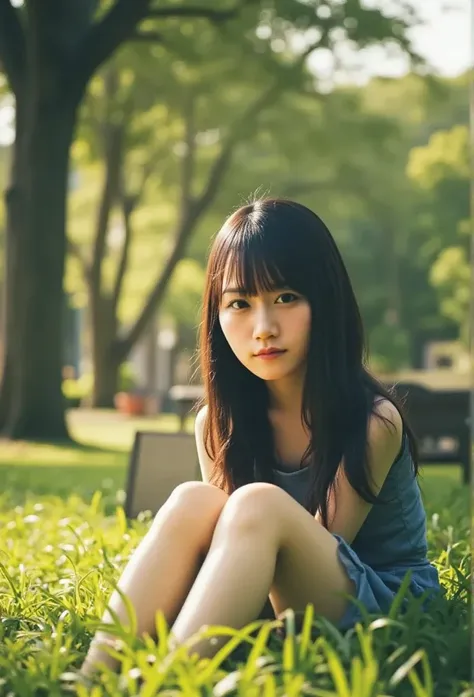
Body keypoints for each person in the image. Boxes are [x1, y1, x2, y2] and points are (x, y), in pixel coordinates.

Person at [81, 198, 441, 676]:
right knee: (194, 500)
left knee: (257, 505)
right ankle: (90, 679)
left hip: (382, 604)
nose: (264, 328)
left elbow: (309, 555)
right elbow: (229, 557)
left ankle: (171, 683)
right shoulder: (216, 423)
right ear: (217, 315)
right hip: (280, 603)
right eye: (239, 304)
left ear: (325, 300)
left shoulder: (374, 421)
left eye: (286, 297)